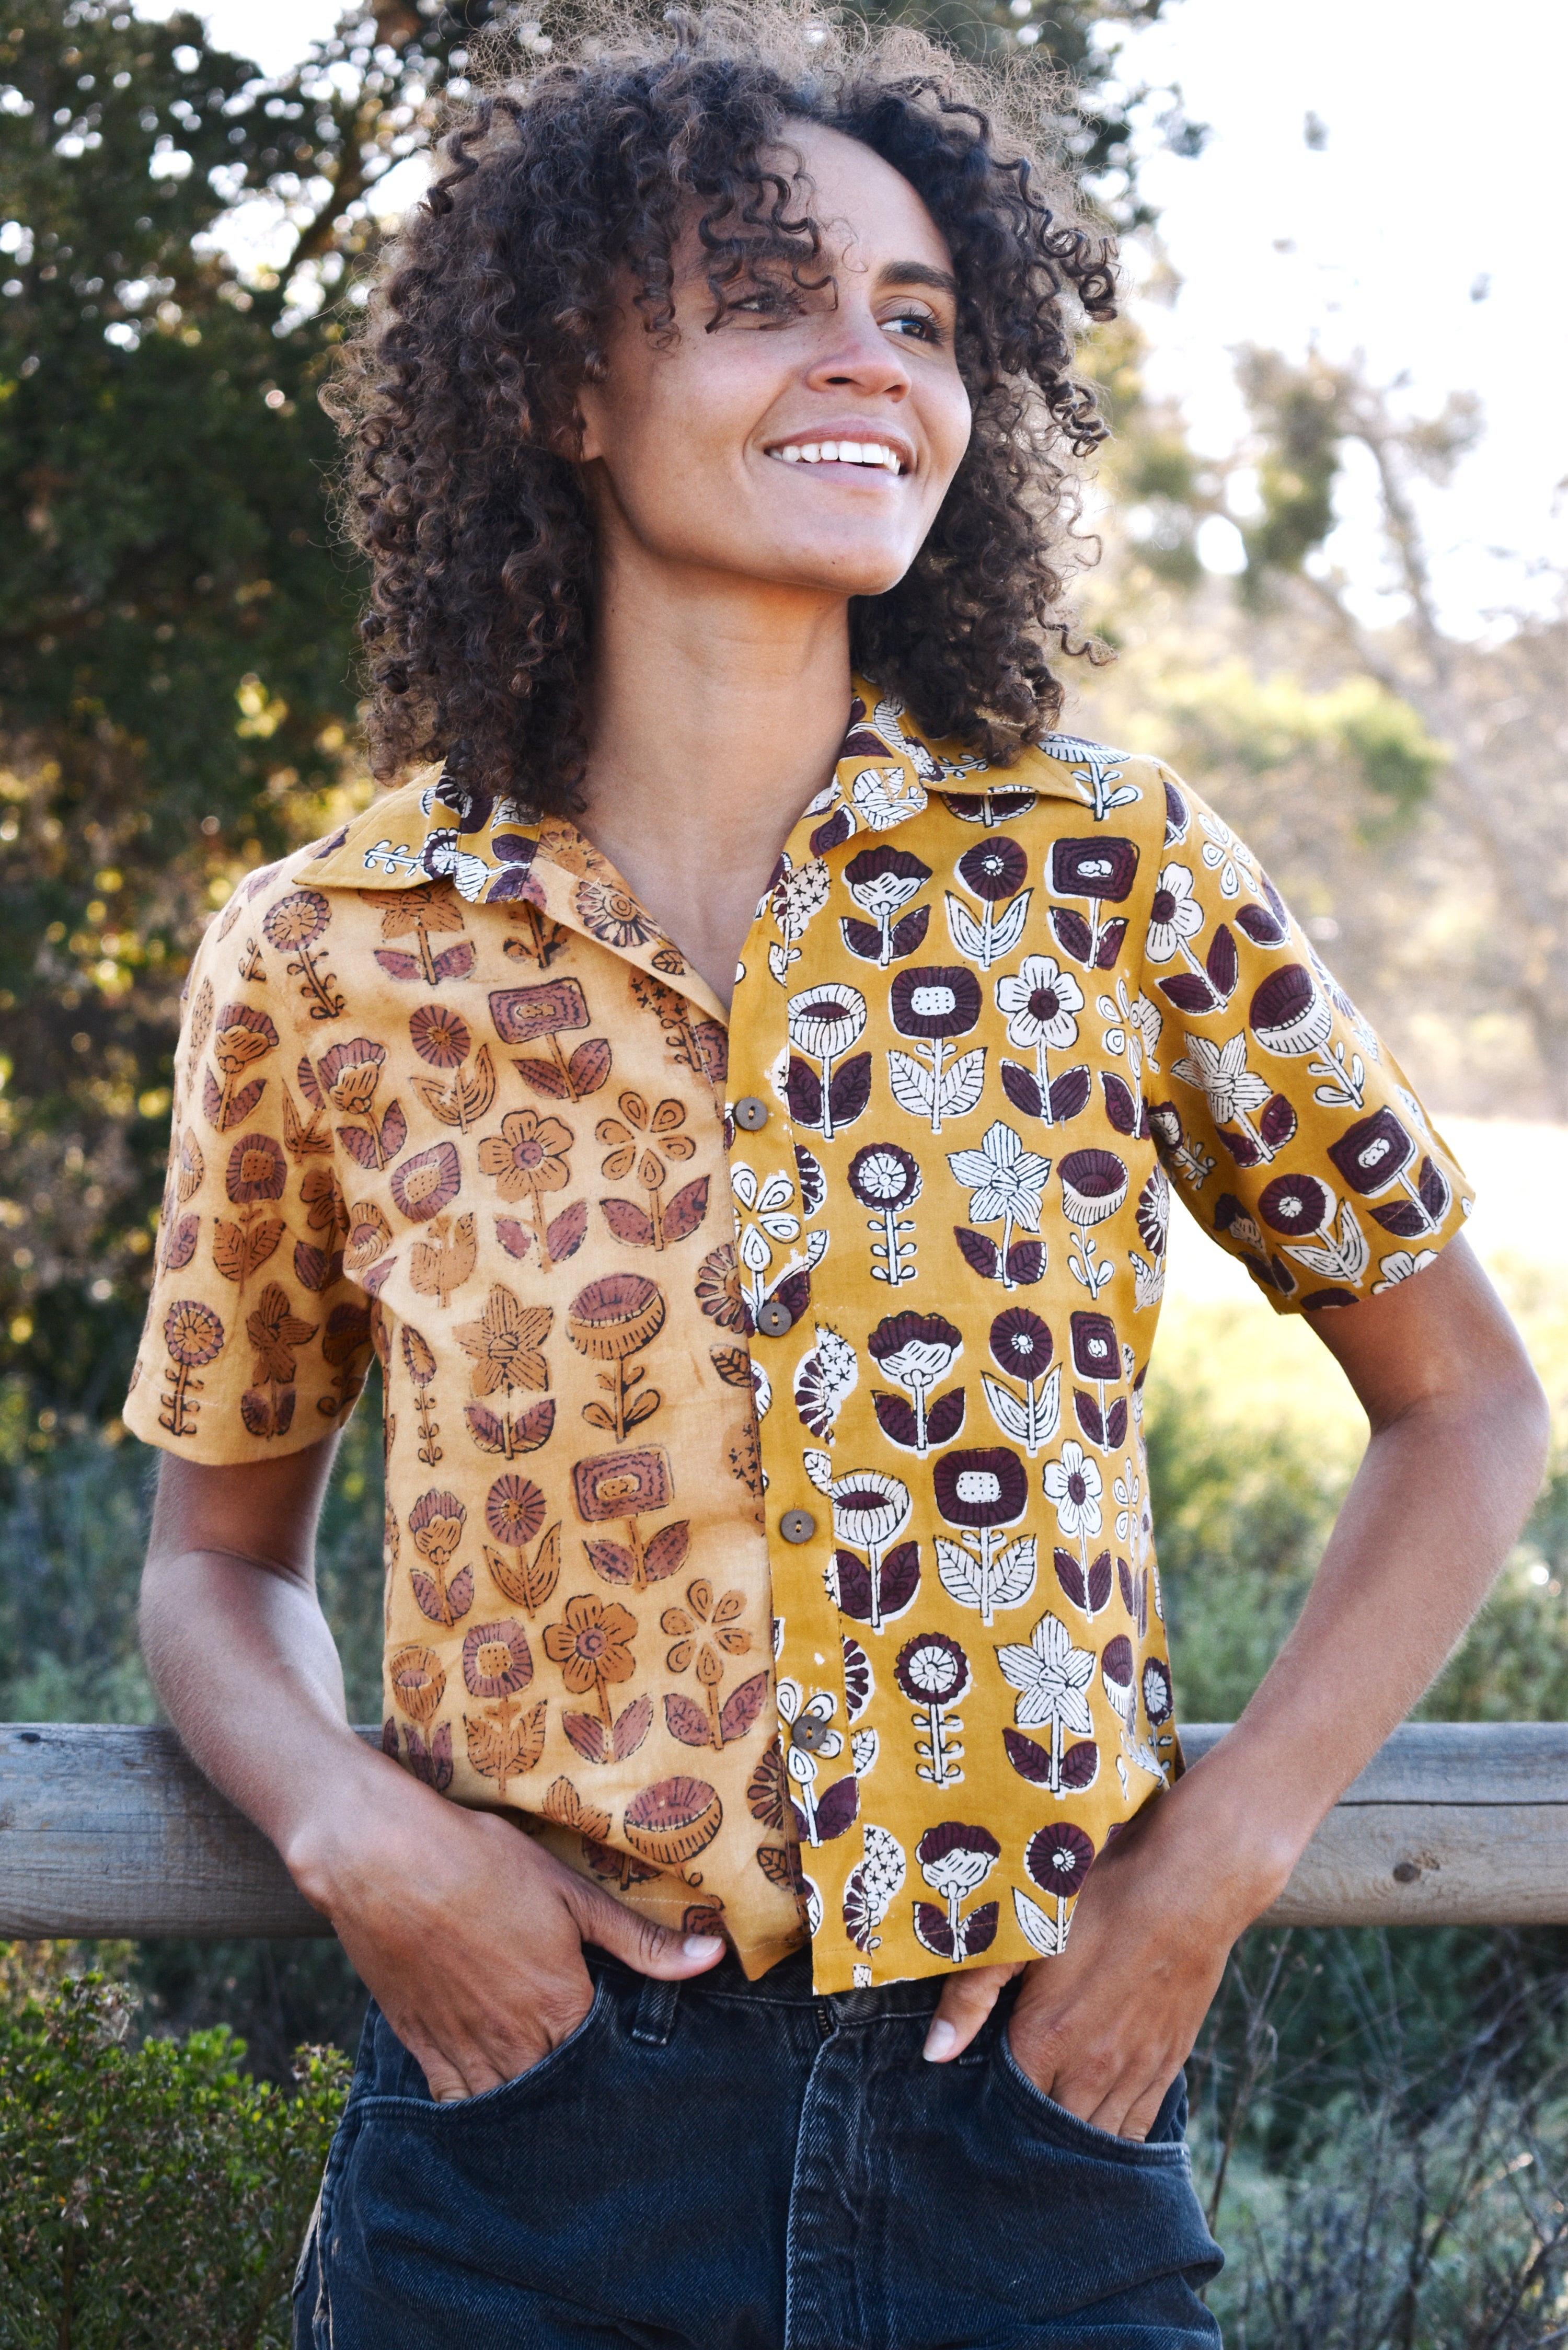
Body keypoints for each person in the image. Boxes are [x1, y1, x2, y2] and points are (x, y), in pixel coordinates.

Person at [125, 8, 1549, 2345]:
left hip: (1038, 2121)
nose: (870, 361)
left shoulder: (1115, 868)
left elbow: (1470, 1405)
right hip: (526, 2138)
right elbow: (215, 1558)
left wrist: (1217, 1861)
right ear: (566, 390)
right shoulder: (333, 948)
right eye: (773, 295)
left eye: (922, 316)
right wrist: (360, 1836)